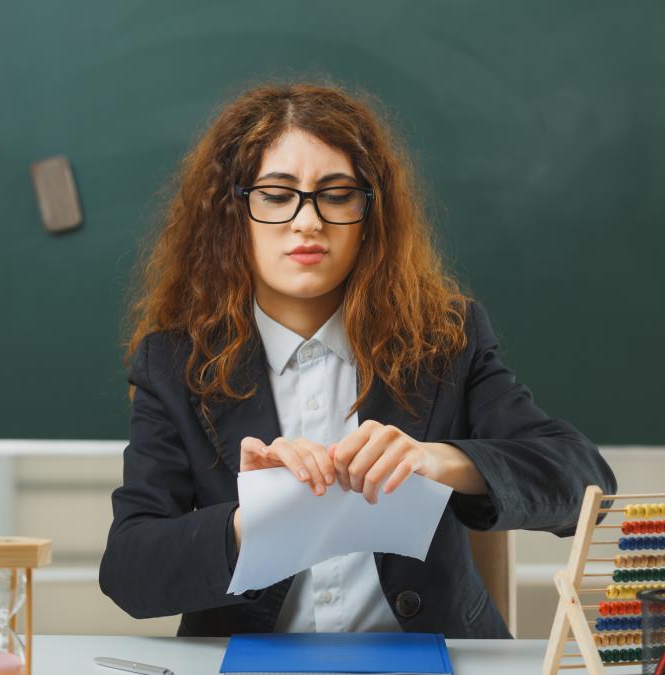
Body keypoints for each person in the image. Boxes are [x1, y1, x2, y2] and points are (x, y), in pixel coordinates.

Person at [99, 81, 616, 638]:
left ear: (371, 214)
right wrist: (255, 523)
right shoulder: (175, 363)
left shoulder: (444, 340)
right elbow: (130, 572)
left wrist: (438, 460)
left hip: (434, 656)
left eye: (337, 193)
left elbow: (586, 486)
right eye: (276, 195)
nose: (307, 222)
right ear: (235, 213)